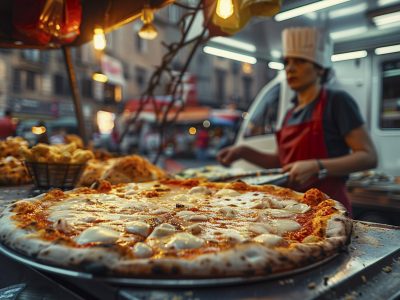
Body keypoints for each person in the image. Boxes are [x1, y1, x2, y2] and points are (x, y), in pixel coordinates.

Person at [217, 27, 377, 213]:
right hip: (293, 208)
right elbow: (282, 161)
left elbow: (368, 156)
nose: (290, 68)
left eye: (300, 61)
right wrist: (243, 151)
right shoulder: (290, 112)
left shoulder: (336, 101)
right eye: (287, 62)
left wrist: (318, 167)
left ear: (319, 69)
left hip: (329, 207)